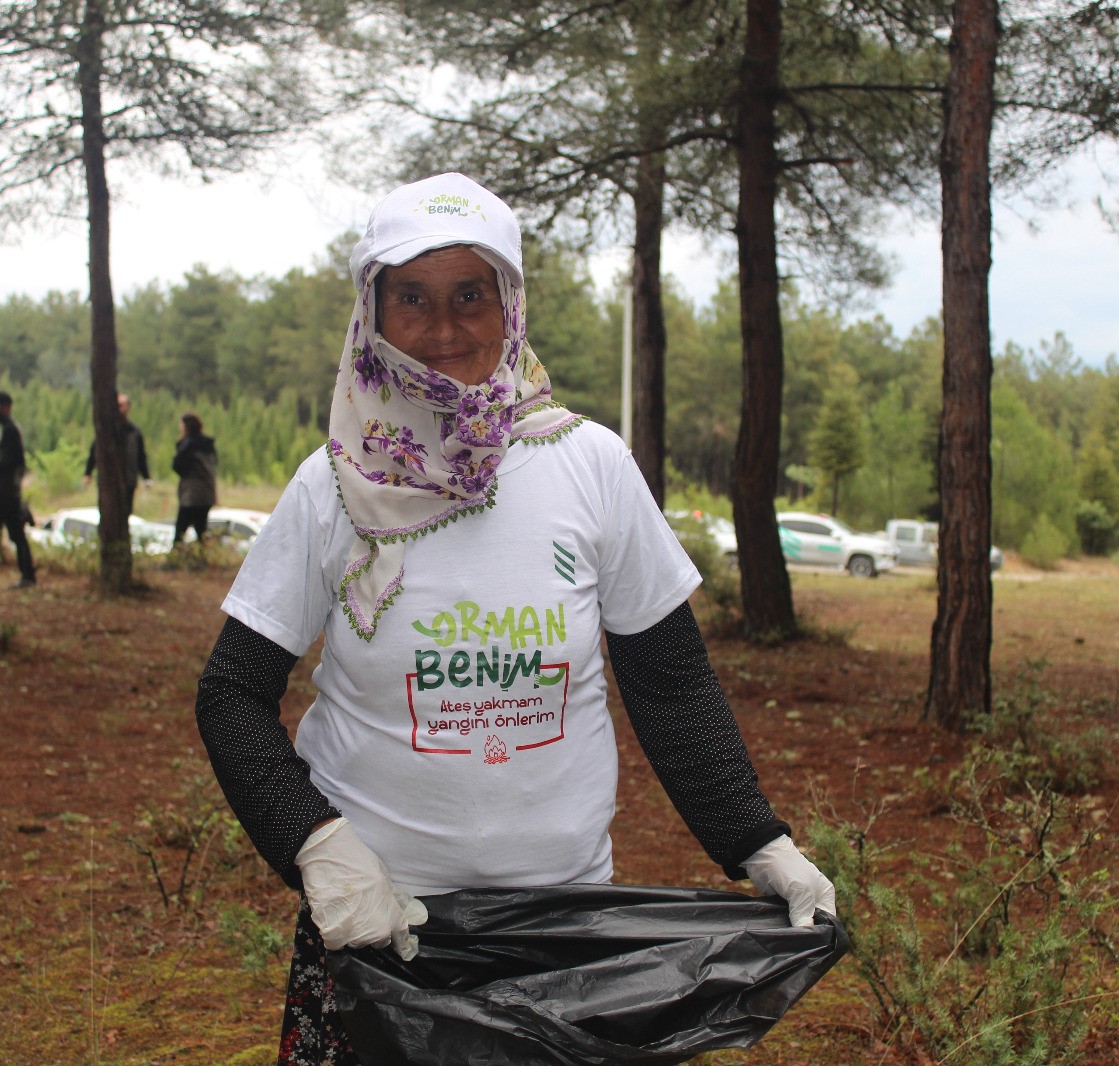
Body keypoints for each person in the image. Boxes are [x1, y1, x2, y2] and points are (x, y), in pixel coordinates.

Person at [193, 173, 835, 1065]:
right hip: (384, 930)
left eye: (471, 295)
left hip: (566, 932)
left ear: (511, 305)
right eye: (412, 297)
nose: (445, 329)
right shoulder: (334, 485)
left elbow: (671, 681)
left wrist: (757, 841)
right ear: (372, 309)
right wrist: (319, 848)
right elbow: (230, 692)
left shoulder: (589, 466)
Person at [0, 390, 37, 589]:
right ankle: (28, 576)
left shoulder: (10, 430)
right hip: (6, 492)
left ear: (5, 407)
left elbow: (15, 461)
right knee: (16, 536)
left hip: (4, 493)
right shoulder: (6, 430)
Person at [82, 393, 152, 512]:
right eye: (117, 406)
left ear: (128, 408)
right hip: (108, 480)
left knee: (126, 511)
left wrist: (146, 477)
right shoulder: (106, 431)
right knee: (108, 511)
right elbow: (94, 451)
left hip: (128, 479)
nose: (119, 409)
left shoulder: (134, 432)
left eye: (121, 405)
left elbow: (141, 456)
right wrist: (88, 473)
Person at [172, 412, 218, 545]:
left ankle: (176, 558)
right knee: (201, 528)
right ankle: (201, 557)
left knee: (181, 528)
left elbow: (178, 466)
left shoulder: (187, 445)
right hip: (207, 492)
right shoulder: (208, 444)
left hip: (191, 493)